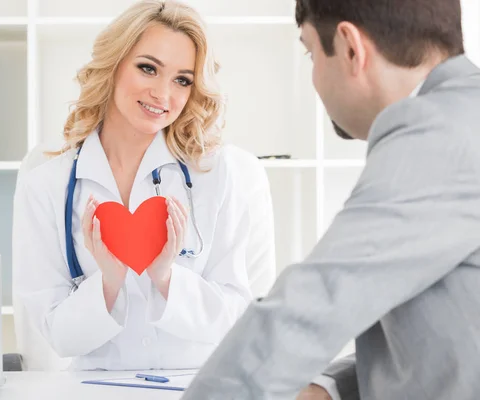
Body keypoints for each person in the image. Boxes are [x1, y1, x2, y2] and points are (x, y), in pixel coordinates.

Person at [181, 0, 480, 399]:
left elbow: (312, 305)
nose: (315, 79)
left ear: (350, 47)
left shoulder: (438, 134)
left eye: (310, 53)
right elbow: (453, 346)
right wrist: (330, 387)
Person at [11, 0, 275, 371]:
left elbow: (241, 318)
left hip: (196, 389)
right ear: (114, 65)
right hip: (94, 393)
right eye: (148, 69)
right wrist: (109, 282)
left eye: (182, 79)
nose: (163, 94)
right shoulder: (47, 178)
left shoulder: (222, 173)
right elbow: (55, 334)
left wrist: (166, 278)